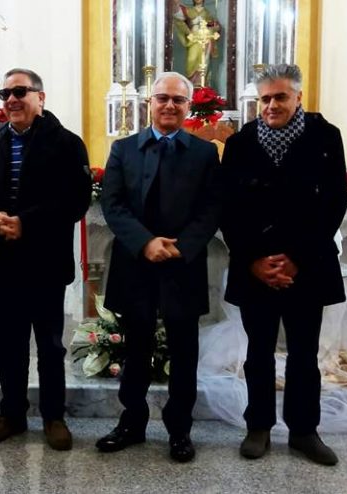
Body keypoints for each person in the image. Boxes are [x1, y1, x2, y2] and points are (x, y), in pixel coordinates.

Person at [220, 63, 347, 466]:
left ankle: (304, 431)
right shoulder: (240, 143)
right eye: (265, 99)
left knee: (304, 354)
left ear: (298, 98)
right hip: (254, 265)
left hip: (305, 266)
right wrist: (254, 260)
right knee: (257, 352)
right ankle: (258, 426)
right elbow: (228, 209)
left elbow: (333, 203)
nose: (271, 106)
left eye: (280, 97)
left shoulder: (326, 137)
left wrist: (296, 258)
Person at [96, 71, 222, 462]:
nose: (169, 105)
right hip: (136, 262)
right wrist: (145, 242)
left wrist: (180, 247)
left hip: (182, 264)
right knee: (135, 349)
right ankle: (132, 422)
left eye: (178, 100)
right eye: (162, 98)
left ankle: (179, 430)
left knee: (185, 352)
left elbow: (212, 207)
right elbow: (112, 204)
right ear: (150, 103)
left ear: (188, 107)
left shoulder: (204, 153)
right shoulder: (123, 149)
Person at [0, 68, 92, 451]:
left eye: (20, 91)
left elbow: (75, 200)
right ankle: (12, 413)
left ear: (40, 96)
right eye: (5, 92)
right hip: (4, 262)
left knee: (50, 345)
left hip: (45, 261)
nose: (11, 99)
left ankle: (54, 416)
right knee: (7, 344)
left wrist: (27, 222)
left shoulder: (67, 143)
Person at [173, 0, 221, 86]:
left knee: (204, 61)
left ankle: (202, 84)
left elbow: (214, 25)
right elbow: (178, 16)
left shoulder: (207, 12)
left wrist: (213, 27)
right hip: (194, 39)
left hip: (205, 38)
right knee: (191, 59)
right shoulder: (188, 10)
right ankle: (191, 84)